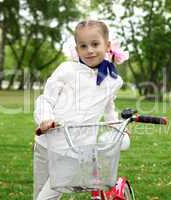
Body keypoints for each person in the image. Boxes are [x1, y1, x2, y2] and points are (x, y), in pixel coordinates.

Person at [33, 20, 127, 200]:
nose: (90, 50)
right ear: (77, 50)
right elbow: (46, 99)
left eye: (95, 44)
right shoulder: (67, 70)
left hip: (76, 147)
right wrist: (45, 119)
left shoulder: (113, 80)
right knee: (39, 192)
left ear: (107, 46)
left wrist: (116, 126)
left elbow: (108, 106)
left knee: (47, 196)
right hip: (47, 140)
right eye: (83, 46)